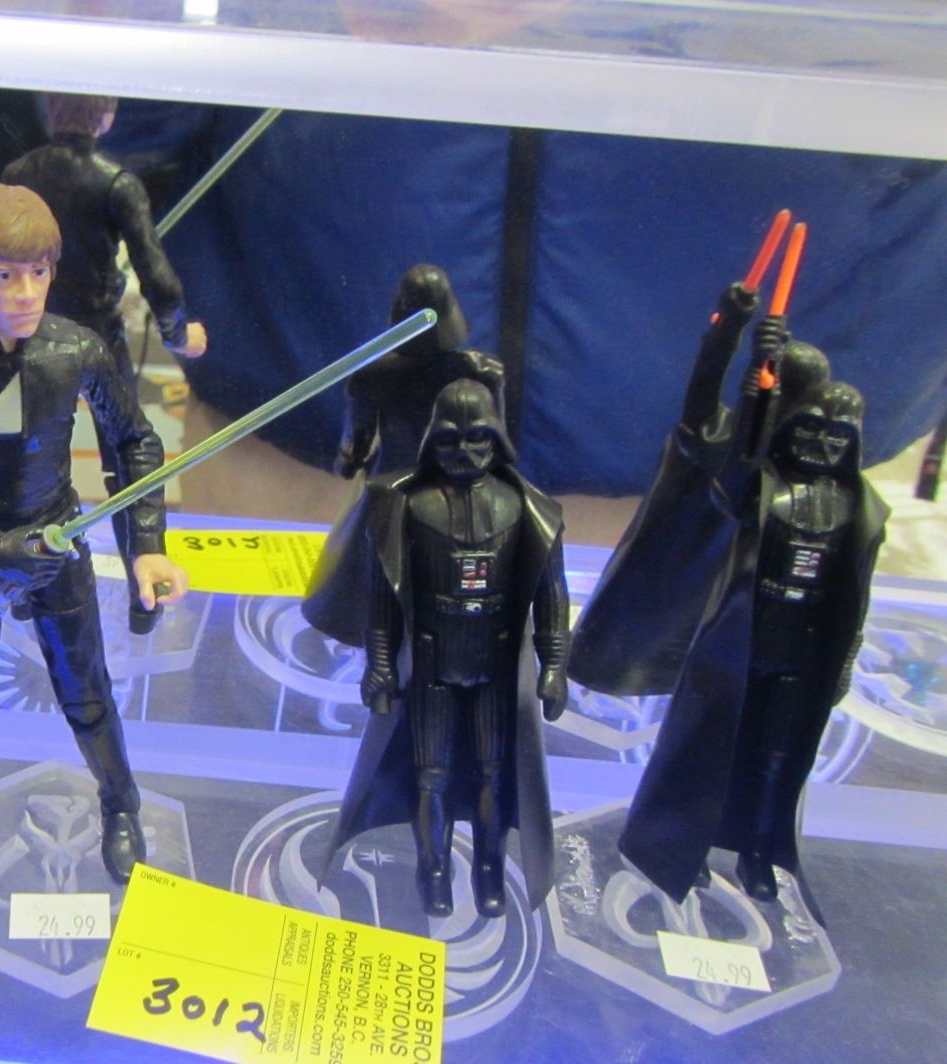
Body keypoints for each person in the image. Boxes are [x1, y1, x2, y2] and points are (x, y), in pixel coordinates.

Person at [0, 183, 188, 884]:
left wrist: (147, 546)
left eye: (40, 271)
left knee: (88, 692)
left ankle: (121, 805)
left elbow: (135, 441)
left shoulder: (75, 350)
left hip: (56, 541)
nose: (26, 293)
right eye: (4, 275)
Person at [619, 336, 887, 914]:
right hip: (741, 637)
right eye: (809, 430)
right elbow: (731, 474)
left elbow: (858, 591)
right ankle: (682, 849)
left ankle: (758, 852)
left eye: (836, 437)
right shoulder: (762, 485)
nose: (820, 446)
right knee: (710, 751)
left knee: (777, 758)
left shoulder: (861, 509)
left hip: (803, 647)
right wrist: (753, 392)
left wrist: (844, 659)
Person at [304, 379, 568, 918]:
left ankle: (490, 867)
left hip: (495, 662)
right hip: (431, 662)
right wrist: (380, 664)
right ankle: (435, 870)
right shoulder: (405, 506)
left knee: (496, 774)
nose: (465, 453)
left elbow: (551, 593)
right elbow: (383, 596)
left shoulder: (527, 509)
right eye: (450, 440)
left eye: (477, 438)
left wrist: (555, 663)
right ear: (431, 440)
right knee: (431, 778)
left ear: (496, 439)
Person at [2, 92, 207, 633]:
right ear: (108, 117)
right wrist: (177, 332)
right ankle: (145, 588)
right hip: (93, 332)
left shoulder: (19, 176)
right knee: (129, 452)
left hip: (33, 331)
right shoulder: (116, 183)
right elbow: (156, 273)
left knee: (28, 457)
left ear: (50, 111)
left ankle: (24, 582)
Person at [569, 286, 832, 695]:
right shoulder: (718, 437)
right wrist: (728, 329)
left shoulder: (791, 476)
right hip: (657, 594)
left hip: (719, 621)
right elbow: (709, 393)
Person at [334, 264, 504, 480]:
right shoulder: (482, 371)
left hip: (395, 476)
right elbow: (496, 442)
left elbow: (356, 444)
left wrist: (349, 464)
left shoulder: (369, 377)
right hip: (459, 476)